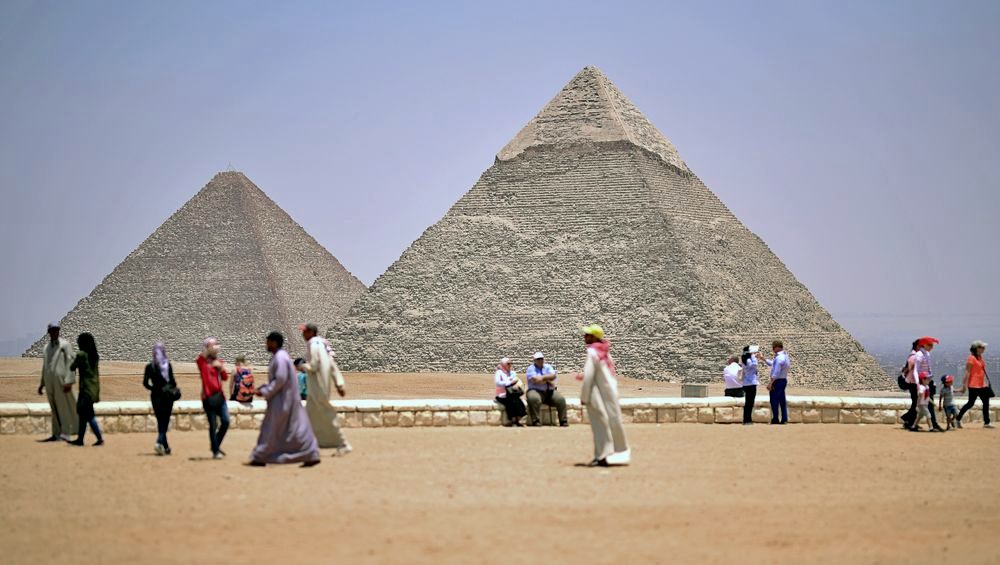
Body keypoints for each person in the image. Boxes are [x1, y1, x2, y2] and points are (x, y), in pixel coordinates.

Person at [248, 332, 321, 467]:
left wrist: (265, 391)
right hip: (286, 399)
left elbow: (280, 379)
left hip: (282, 400)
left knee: (271, 428)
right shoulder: (281, 356)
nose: (266, 344)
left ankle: (261, 456)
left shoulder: (280, 358)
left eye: (268, 341)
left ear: (274, 342)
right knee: (296, 428)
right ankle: (310, 453)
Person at [578, 324, 629, 467]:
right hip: (609, 393)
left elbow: (588, 376)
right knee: (611, 422)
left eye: (587, 335)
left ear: (594, 337)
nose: (585, 337)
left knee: (599, 426)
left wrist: (584, 396)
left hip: (596, 394)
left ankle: (601, 456)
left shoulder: (592, 353)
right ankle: (611, 453)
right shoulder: (605, 353)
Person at [300, 323, 352, 456]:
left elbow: (315, 365)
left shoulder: (314, 344)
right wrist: (339, 383)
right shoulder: (321, 344)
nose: (302, 334)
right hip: (318, 386)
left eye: (304, 332)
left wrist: (303, 367)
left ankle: (343, 443)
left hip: (318, 386)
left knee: (327, 415)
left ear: (311, 332)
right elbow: (331, 363)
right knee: (309, 415)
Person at [37, 322, 77, 442]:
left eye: (57, 330)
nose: (55, 332)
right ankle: (56, 433)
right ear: (49, 332)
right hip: (49, 382)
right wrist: (42, 383)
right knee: (53, 408)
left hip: (61, 382)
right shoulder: (46, 348)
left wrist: (69, 381)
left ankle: (66, 432)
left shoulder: (65, 345)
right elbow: (45, 366)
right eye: (52, 330)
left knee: (63, 407)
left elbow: (71, 363)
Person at [196, 338, 230, 459]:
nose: (217, 347)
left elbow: (225, 378)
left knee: (226, 421)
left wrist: (220, 368)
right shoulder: (202, 363)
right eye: (214, 345)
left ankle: (215, 444)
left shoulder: (219, 361)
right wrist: (207, 350)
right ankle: (215, 451)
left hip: (220, 396)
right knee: (213, 424)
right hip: (208, 397)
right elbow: (200, 358)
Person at [68, 332, 103, 446]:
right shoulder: (95, 356)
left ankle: (99, 438)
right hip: (93, 389)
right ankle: (80, 439)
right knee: (84, 414)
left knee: (88, 415)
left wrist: (70, 356)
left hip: (85, 390)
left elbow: (72, 367)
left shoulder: (82, 355)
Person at [143, 342, 178, 455]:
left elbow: (145, 383)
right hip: (167, 397)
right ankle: (159, 442)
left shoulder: (149, 366)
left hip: (156, 397)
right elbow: (173, 382)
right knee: (165, 422)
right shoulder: (167, 365)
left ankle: (166, 447)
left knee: (160, 422)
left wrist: (154, 389)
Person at [908, 337, 942, 431]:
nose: (932, 347)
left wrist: (931, 379)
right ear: (924, 345)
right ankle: (933, 425)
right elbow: (916, 370)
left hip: (927, 380)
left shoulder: (927, 354)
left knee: (924, 405)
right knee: (924, 404)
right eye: (930, 345)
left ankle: (913, 425)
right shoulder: (919, 355)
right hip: (921, 381)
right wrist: (918, 384)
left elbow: (928, 368)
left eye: (932, 345)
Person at [525, 352, 568, 427]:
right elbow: (535, 380)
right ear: (534, 360)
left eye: (541, 359)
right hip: (535, 390)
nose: (540, 360)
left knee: (560, 399)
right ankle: (536, 421)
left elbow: (553, 376)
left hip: (549, 391)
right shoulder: (531, 368)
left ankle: (563, 421)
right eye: (538, 359)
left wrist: (542, 378)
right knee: (534, 398)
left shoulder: (548, 366)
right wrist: (548, 379)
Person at [957, 340, 993, 429]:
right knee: (970, 403)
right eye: (982, 347)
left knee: (986, 403)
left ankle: (987, 422)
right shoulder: (971, 358)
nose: (984, 349)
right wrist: (964, 385)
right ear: (977, 348)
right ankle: (957, 418)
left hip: (982, 385)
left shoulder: (980, 358)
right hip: (973, 385)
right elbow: (967, 372)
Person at [758, 341, 790, 425]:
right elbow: (773, 364)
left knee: (774, 400)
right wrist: (763, 359)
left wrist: (770, 383)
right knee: (782, 400)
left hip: (777, 381)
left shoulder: (779, 358)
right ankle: (784, 418)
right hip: (783, 380)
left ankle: (775, 418)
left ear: (777, 347)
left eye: (773, 347)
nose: (772, 349)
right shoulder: (785, 356)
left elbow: (776, 372)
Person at [494, 357, 526, 427]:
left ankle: (518, 419)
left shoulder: (512, 372)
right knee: (511, 402)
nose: (510, 365)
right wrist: (509, 382)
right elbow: (498, 383)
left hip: (512, 393)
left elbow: (516, 379)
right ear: (503, 364)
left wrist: (514, 383)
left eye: (511, 363)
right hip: (502, 395)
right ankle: (513, 420)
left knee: (517, 401)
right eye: (508, 364)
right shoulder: (499, 373)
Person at [740, 346, 760, 425]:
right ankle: (747, 420)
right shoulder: (749, 360)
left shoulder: (745, 359)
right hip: (751, 383)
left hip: (747, 383)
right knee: (749, 402)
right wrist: (753, 356)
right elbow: (754, 365)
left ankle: (747, 419)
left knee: (748, 402)